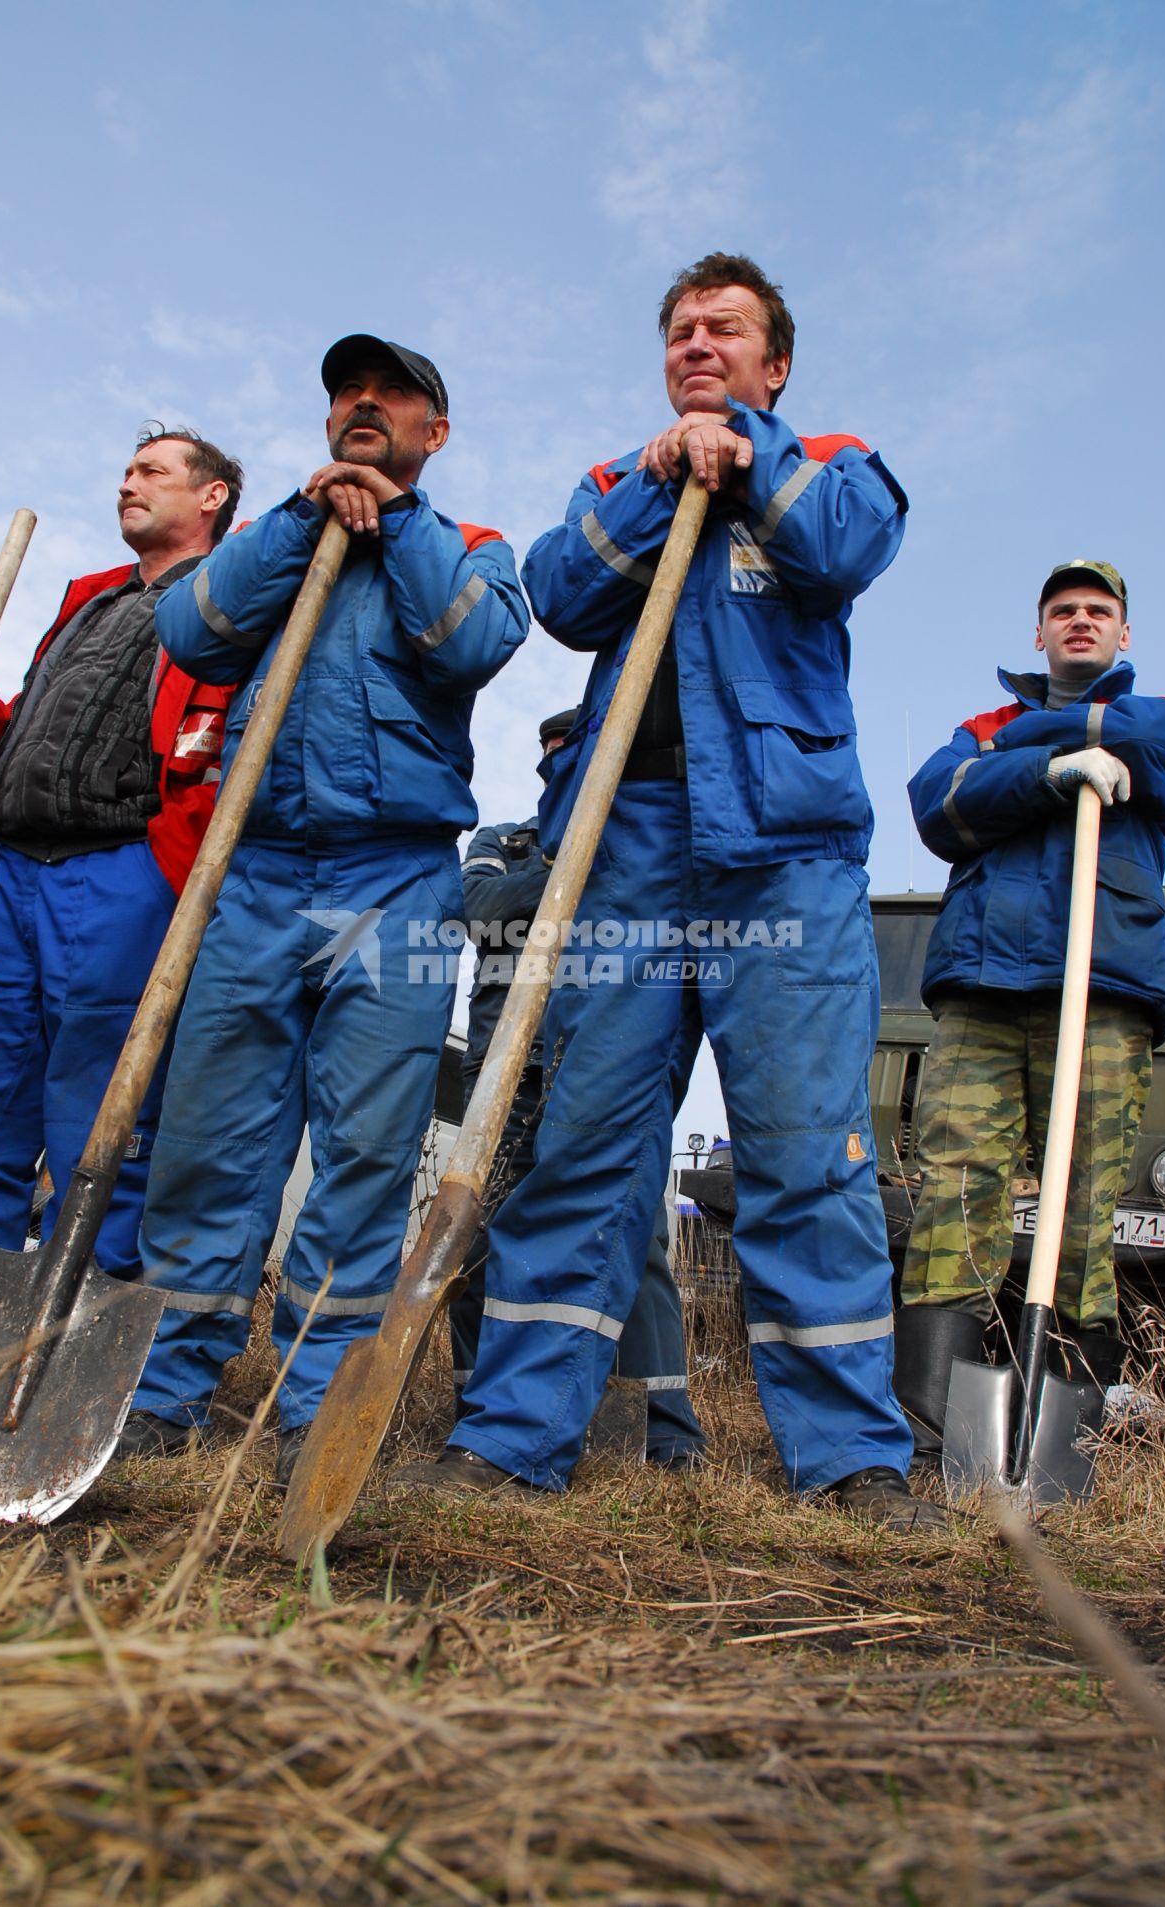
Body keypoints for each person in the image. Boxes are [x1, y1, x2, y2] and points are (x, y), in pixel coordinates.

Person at [400, 250, 939, 1530]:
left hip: (784, 857)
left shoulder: (830, 461)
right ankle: (512, 1437)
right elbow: (564, 594)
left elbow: (847, 548)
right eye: (681, 330)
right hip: (627, 855)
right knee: (585, 1150)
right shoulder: (619, 479)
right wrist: (654, 481)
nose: (697, 343)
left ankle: (852, 1459)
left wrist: (744, 450)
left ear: (776, 361)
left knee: (806, 1155)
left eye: (725, 329)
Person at [118, 334, 529, 1483]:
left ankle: (315, 1404)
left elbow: (474, 638)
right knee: (208, 1142)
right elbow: (191, 629)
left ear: (430, 434)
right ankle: (165, 1389)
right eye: (348, 390)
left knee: (363, 1147)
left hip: (393, 878)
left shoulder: (470, 546)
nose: (362, 403)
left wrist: (392, 520)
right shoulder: (278, 542)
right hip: (253, 875)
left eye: (390, 394)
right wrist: (306, 522)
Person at [0, 429, 243, 1318]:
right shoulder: (89, 601)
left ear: (211, 497)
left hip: (123, 869)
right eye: (128, 471)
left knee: (106, 1115)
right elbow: (39, 739)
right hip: (10, 873)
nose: (128, 484)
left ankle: (73, 1319)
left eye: (152, 472)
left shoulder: (230, 598)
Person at [893, 561, 1165, 1459]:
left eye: (1099, 611)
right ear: (1040, 630)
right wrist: (1058, 769)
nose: (1081, 621)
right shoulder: (977, 728)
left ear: (1123, 634)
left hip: (1102, 991)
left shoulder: (1157, 714)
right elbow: (938, 802)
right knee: (955, 1193)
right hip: (984, 987)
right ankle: (933, 1426)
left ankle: (1062, 1435)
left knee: (1086, 1206)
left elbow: (1152, 747)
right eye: (1064, 610)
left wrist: (1019, 753)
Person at [454, 706, 707, 1469]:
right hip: (504, 1060)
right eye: (552, 749)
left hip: (596, 1050)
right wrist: (571, 857)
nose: (561, 757)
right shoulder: (504, 841)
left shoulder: (637, 843)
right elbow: (481, 911)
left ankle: (663, 1427)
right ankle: (482, 1404)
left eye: (577, 746)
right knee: (484, 1230)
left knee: (633, 1230)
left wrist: (602, 865)